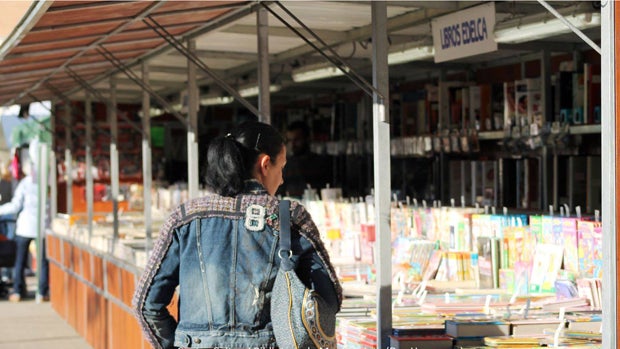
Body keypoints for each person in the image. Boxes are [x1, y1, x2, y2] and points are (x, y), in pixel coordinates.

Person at [133, 120, 342, 349]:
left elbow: (145, 305)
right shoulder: (289, 217)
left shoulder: (185, 218)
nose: (282, 179)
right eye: (281, 167)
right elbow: (329, 298)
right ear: (264, 164)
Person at [0, 143, 49, 303]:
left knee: (20, 260)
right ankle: (42, 292)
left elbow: (15, 206)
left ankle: (18, 291)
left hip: (26, 226)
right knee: (42, 261)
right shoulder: (47, 183)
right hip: (41, 226)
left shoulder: (26, 183)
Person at [278, 120, 332, 198]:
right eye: (290, 140)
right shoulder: (285, 165)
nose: (292, 145)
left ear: (307, 139)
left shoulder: (320, 164)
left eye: (297, 140)